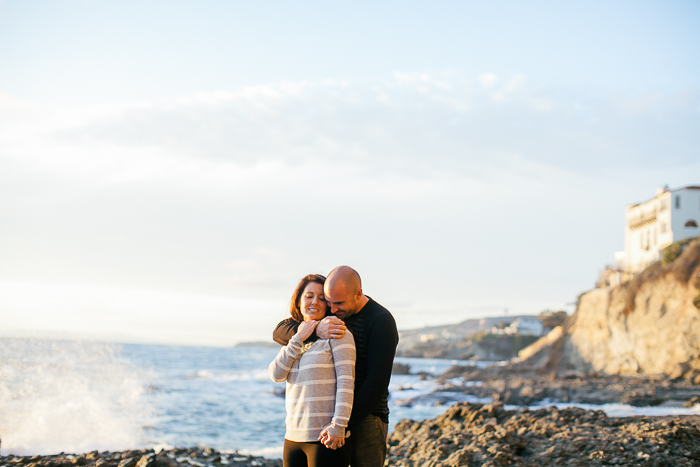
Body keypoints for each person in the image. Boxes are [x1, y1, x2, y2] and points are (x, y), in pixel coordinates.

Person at [273, 266, 399, 467]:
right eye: (329, 302)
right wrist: (313, 331)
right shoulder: (332, 317)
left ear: (358, 293)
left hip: (366, 417)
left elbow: (376, 383)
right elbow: (279, 331)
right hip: (333, 417)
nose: (332, 309)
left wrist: (342, 425)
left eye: (338, 303)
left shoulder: (380, 321)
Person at [269, 274, 356, 467]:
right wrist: (299, 338)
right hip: (292, 436)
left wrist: (338, 426)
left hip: (325, 437)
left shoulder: (337, 332)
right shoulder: (294, 339)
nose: (315, 302)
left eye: (322, 298)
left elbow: (346, 381)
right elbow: (276, 375)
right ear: (299, 301)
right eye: (309, 296)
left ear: (328, 303)